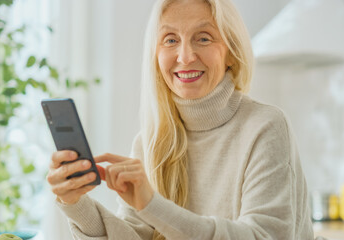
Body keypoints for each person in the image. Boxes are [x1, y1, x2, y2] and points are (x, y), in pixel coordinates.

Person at [46, 0, 314, 239]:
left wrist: (152, 205)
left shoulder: (265, 127)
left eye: (204, 38)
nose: (185, 57)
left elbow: (262, 236)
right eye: (171, 40)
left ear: (231, 52)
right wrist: (75, 204)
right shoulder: (149, 142)